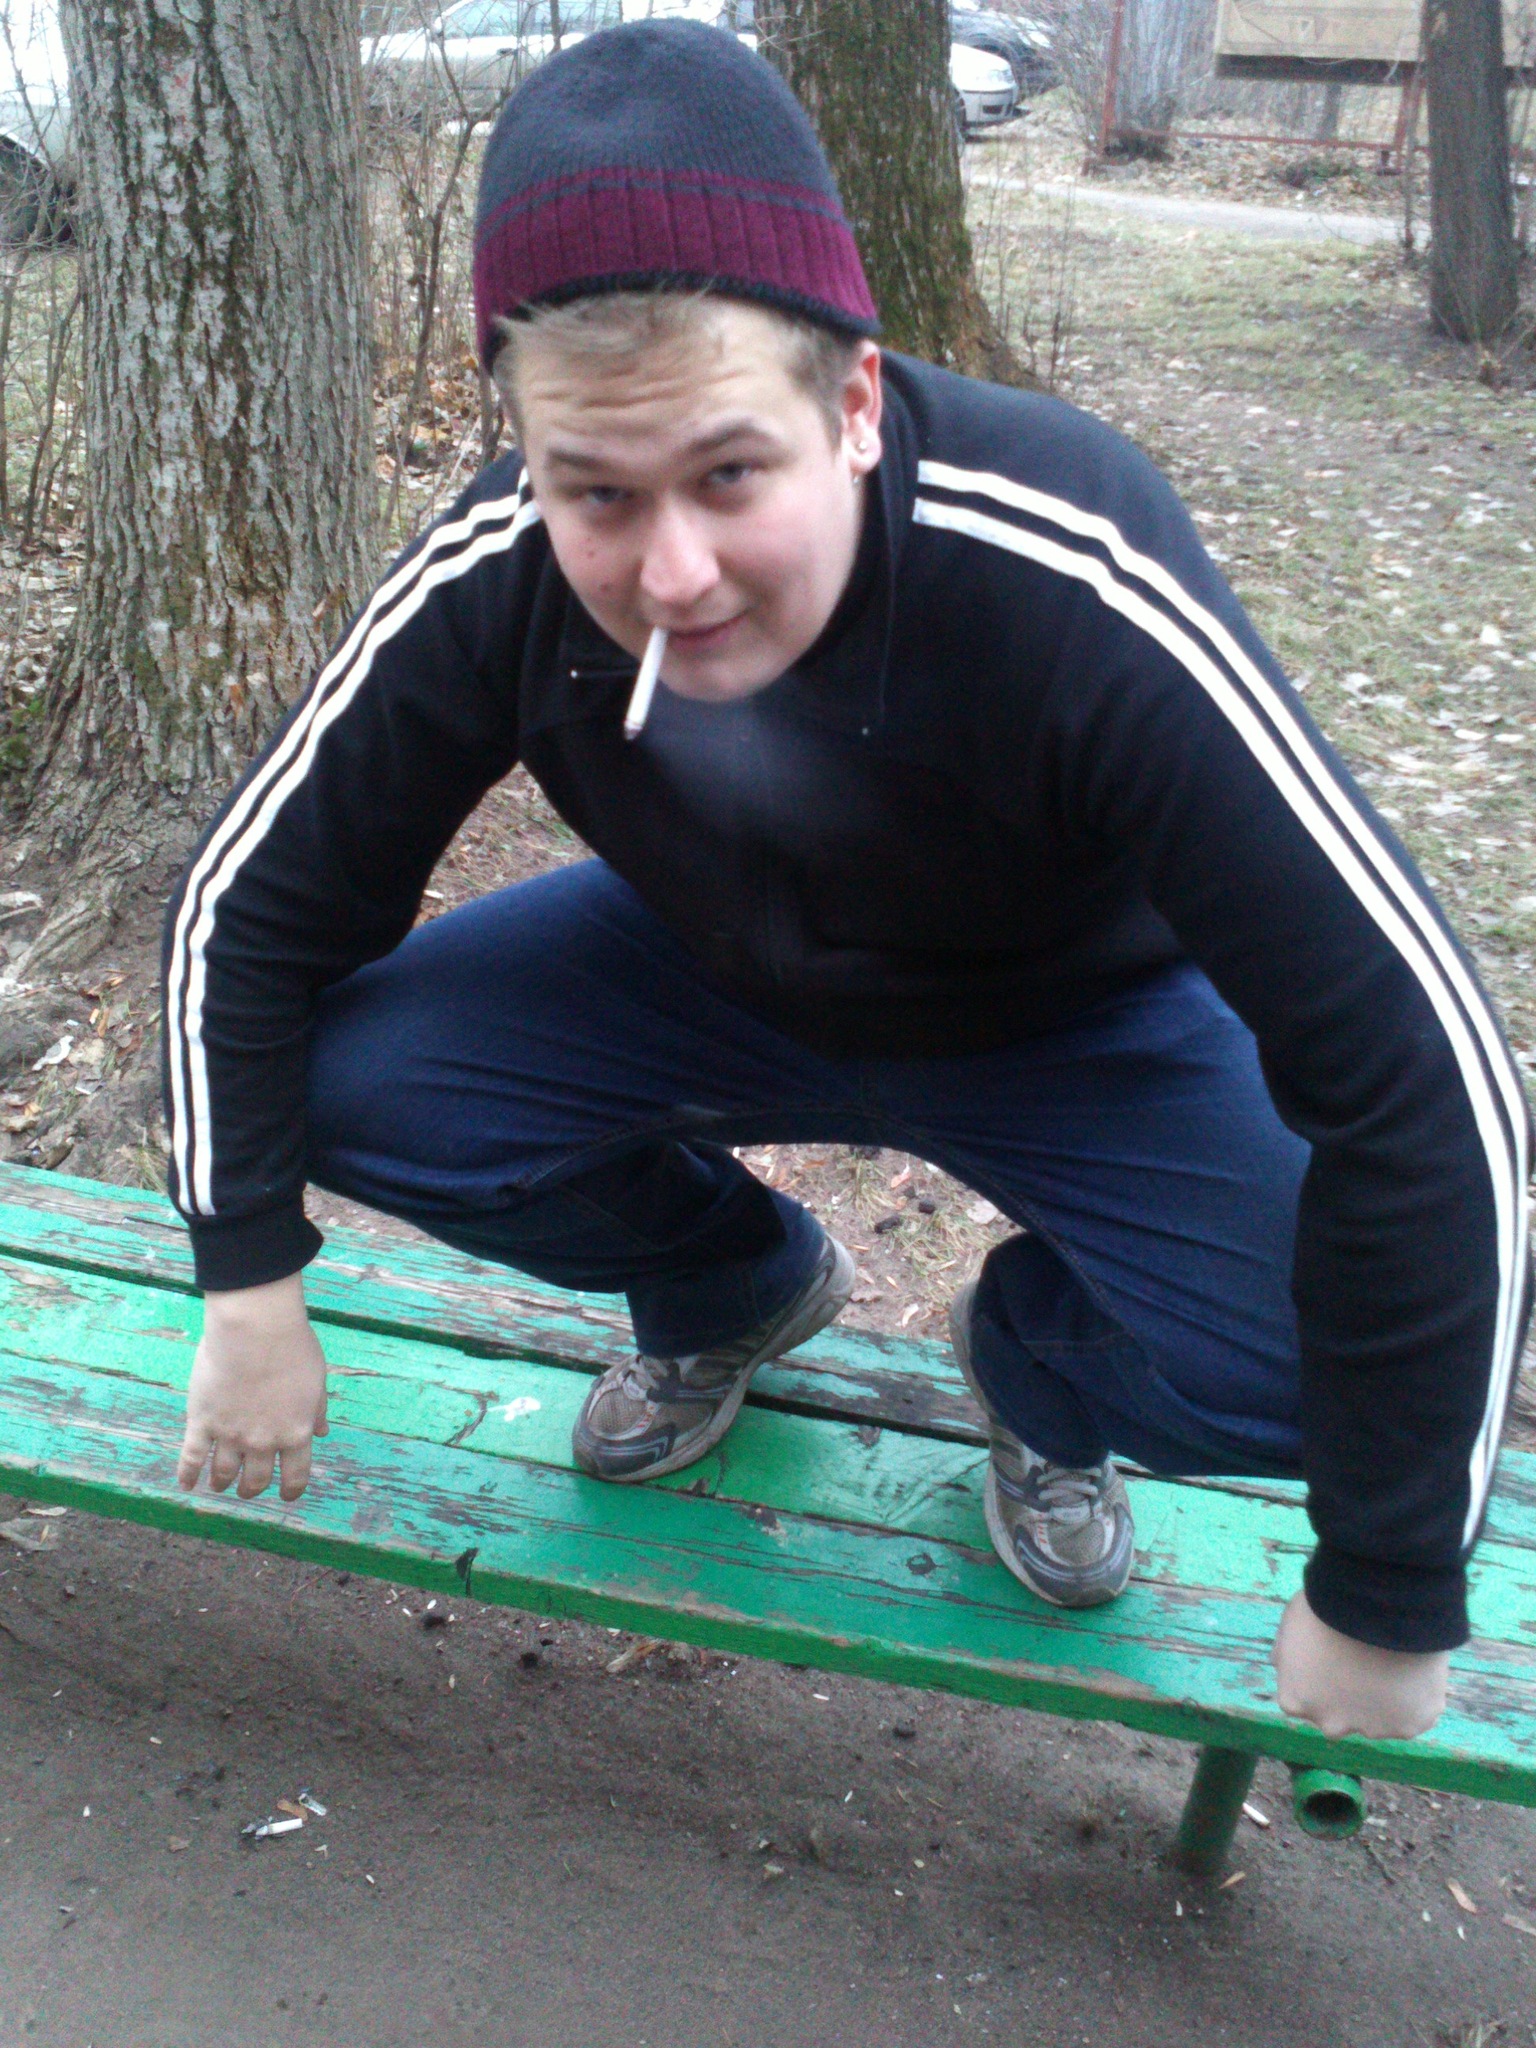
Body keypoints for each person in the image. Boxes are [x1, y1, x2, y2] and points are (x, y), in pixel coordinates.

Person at [163, 20, 1530, 1746]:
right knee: (347, 1086)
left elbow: (1429, 1074)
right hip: (706, 971)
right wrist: (246, 1279)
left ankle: (1039, 1371)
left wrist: (1389, 1579)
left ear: (857, 406)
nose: (672, 571)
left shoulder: (1071, 565)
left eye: (731, 474)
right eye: (597, 492)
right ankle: (730, 1282)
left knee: (1311, 1370)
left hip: (1077, 1017)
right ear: (529, 451)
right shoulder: (500, 566)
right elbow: (244, 914)